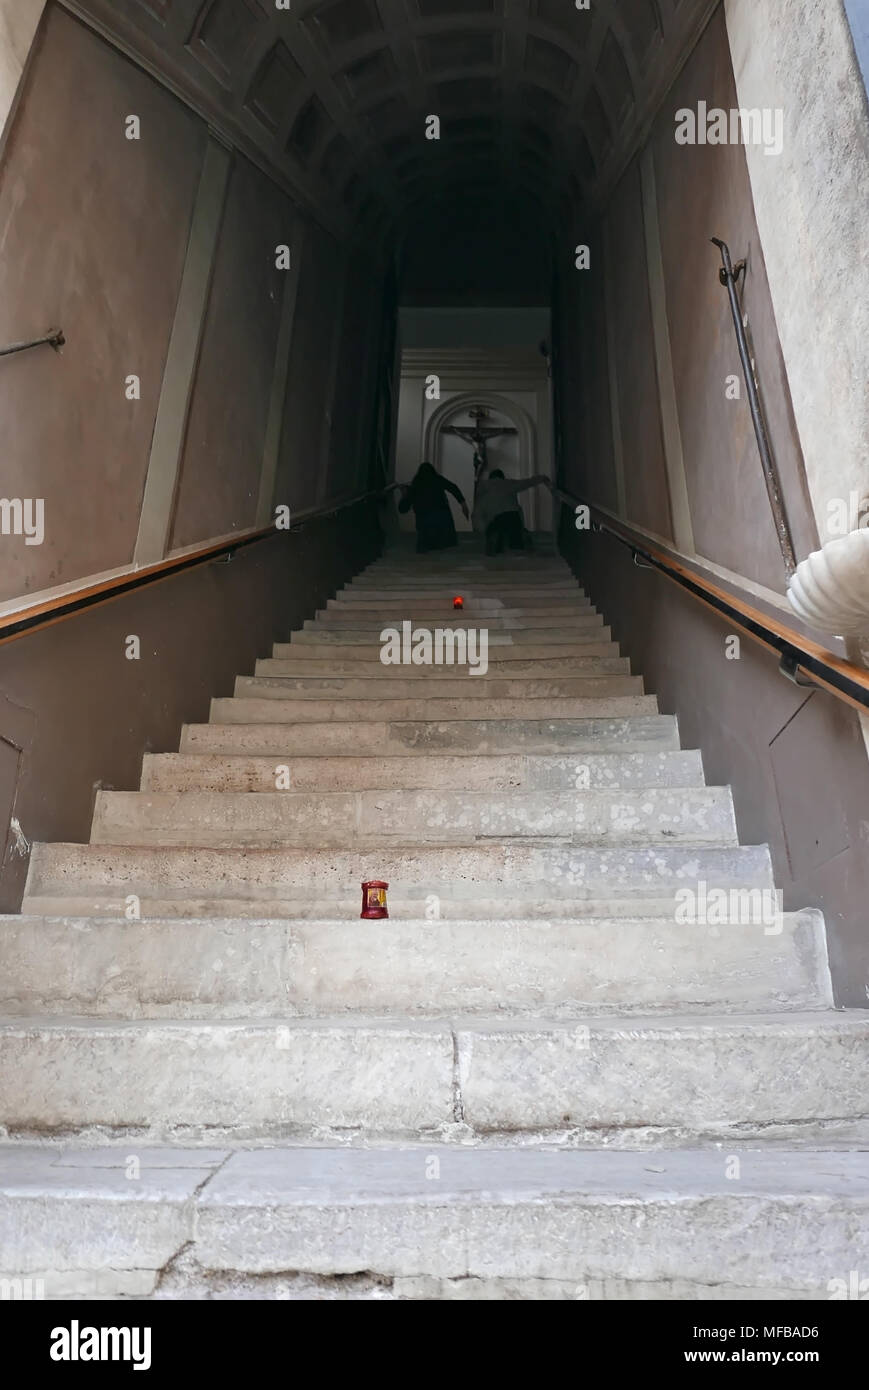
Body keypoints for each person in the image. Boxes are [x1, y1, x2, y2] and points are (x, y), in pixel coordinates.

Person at [398, 461, 470, 553]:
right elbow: (453, 487)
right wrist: (463, 503)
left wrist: (404, 495)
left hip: (426, 531)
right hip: (444, 530)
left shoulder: (416, 486)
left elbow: (403, 509)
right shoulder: (437, 480)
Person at [473, 469, 549, 555]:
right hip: (513, 516)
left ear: (490, 478)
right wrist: (542, 478)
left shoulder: (483, 487)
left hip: (496, 519)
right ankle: (521, 538)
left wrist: (484, 530)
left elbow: (478, 514)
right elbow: (527, 482)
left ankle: (496, 541)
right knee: (516, 541)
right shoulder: (509, 483)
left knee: (496, 537)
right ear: (502, 477)